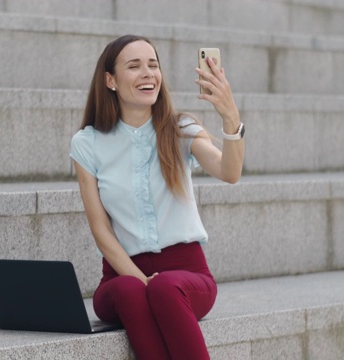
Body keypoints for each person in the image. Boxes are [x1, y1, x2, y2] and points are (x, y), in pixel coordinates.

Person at [70, 35, 245, 360]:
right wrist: (140, 280)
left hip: (187, 276)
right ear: (110, 80)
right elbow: (100, 229)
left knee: (165, 288)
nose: (148, 73)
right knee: (131, 289)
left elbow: (229, 172)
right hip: (121, 275)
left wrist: (230, 118)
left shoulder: (180, 128)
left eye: (153, 65)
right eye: (134, 66)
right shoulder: (87, 143)